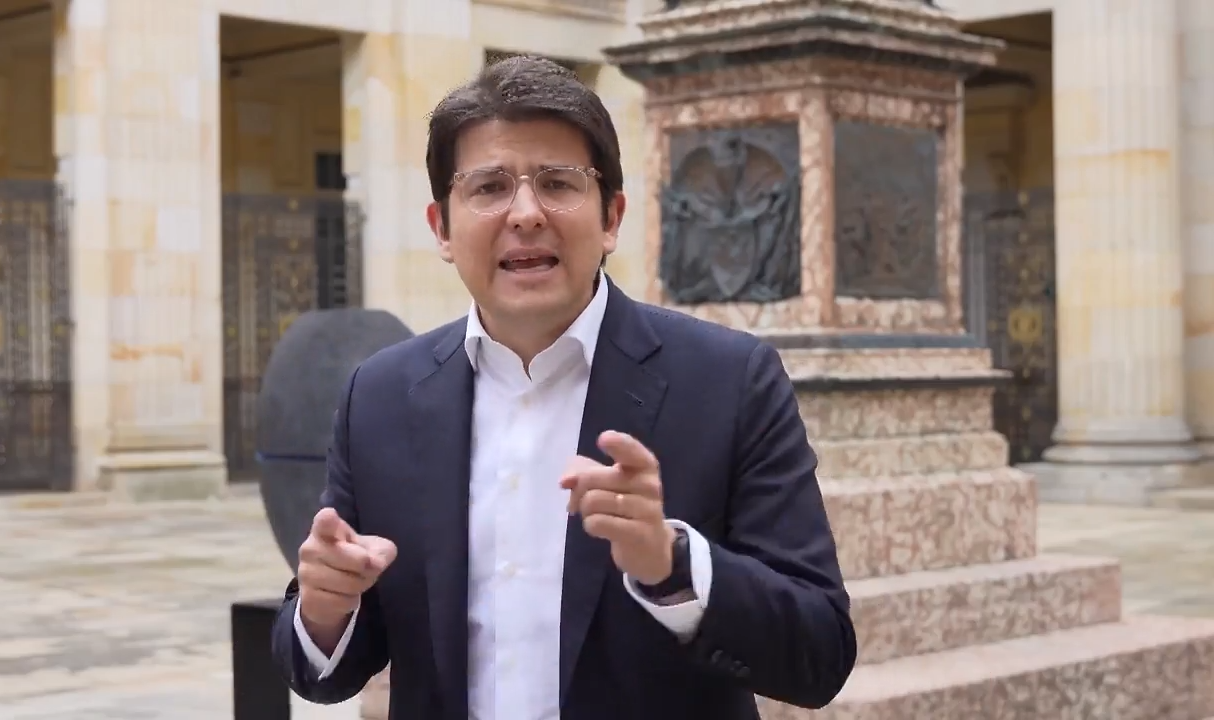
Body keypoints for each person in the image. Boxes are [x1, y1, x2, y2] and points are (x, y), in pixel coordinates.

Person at [270, 55, 856, 720]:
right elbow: (323, 668)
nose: (525, 213)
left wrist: (671, 564)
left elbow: (820, 654)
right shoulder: (378, 397)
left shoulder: (729, 381)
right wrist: (323, 610)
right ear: (441, 228)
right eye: (489, 187)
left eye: (556, 182)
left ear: (611, 218)